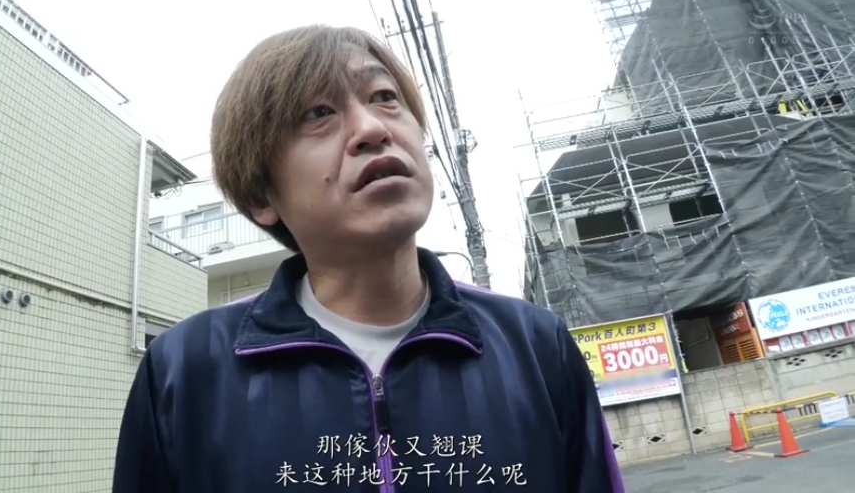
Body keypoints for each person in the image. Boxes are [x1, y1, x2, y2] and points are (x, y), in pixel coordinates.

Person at [112, 25, 624, 493]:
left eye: (384, 97)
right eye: (318, 113)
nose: (372, 128)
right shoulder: (185, 372)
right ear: (260, 195)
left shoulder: (535, 345)